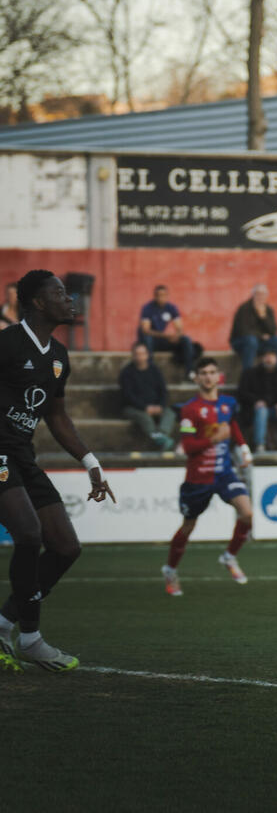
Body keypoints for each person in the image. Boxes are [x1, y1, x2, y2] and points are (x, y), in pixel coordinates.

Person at [0, 269, 115, 672]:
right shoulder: (7, 343)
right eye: (61, 293)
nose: (71, 300)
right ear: (37, 302)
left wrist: (90, 462)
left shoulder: (59, 357)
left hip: (22, 456)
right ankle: (31, 638)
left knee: (66, 547)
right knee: (29, 533)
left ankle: (6, 625)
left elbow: (57, 416)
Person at [162, 356, 255, 596]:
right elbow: (187, 445)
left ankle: (229, 556)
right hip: (198, 479)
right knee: (188, 526)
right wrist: (214, 439)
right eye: (203, 373)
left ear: (219, 376)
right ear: (197, 378)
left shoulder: (228, 403)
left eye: (212, 372)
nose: (208, 377)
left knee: (247, 513)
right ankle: (170, 570)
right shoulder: (189, 410)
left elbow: (231, 425)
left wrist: (243, 448)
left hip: (224, 472)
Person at [239, 347, 277, 452]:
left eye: (272, 356)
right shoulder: (250, 374)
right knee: (262, 411)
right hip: (256, 410)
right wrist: (256, 401)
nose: (269, 359)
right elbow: (242, 393)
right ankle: (260, 445)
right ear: (261, 358)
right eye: (266, 356)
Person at [118, 341, 174, 450]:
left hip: (156, 406)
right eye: (137, 354)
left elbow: (163, 391)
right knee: (144, 417)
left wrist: (160, 406)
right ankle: (157, 438)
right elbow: (128, 396)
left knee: (169, 412)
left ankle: (162, 435)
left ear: (147, 355)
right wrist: (145, 408)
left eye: (142, 354)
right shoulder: (126, 373)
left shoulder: (155, 370)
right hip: (134, 408)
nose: (140, 357)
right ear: (133, 355)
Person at [137, 284, 196, 371]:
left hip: (164, 340)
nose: (161, 297)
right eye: (159, 295)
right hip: (152, 341)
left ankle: (190, 372)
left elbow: (180, 328)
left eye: (164, 295)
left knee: (186, 339)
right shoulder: (147, 308)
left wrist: (176, 336)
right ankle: (149, 371)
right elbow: (146, 330)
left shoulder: (171, 308)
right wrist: (166, 336)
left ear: (167, 296)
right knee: (148, 339)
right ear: (155, 296)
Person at [229, 283, 277, 374]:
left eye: (263, 294)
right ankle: (248, 375)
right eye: (258, 294)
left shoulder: (268, 309)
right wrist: (261, 336)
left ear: (266, 296)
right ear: (253, 295)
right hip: (241, 342)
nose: (260, 296)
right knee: (251, 341)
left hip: (260, 342)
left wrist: (263, 317)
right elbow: (243, 330)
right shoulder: (244, 308)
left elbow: (273, 330)